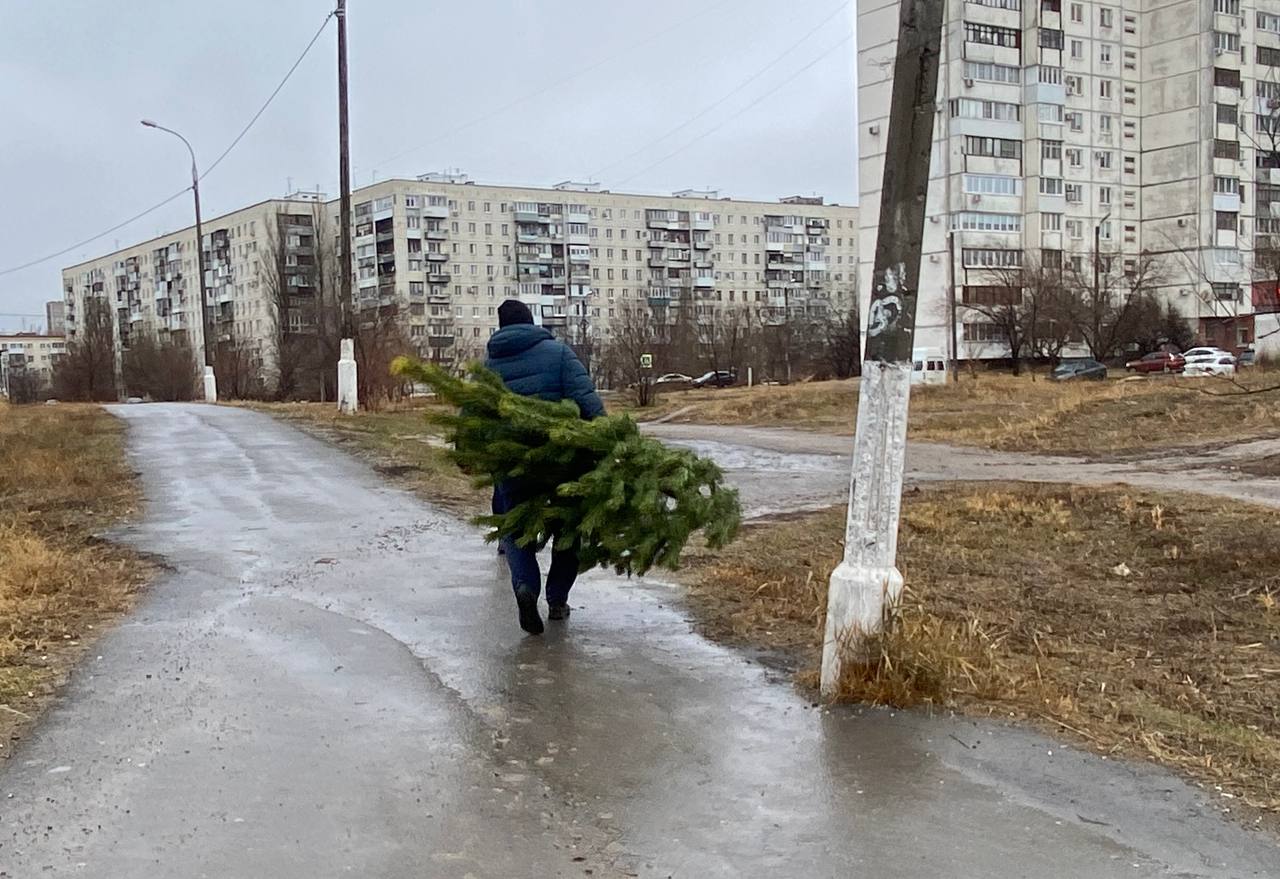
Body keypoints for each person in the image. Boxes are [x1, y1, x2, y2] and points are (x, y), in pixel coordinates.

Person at [486, 299, 604, 635]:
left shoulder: (490, 364)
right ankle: (557, 600)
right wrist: (607, 438)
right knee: (568, 528)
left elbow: (474, 412)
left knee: (517, 529)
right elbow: (587, 400)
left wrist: (467, 452)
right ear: (531, 321)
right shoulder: (560, 353)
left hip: (513, 464)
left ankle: (526, 587)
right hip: (564, 460)